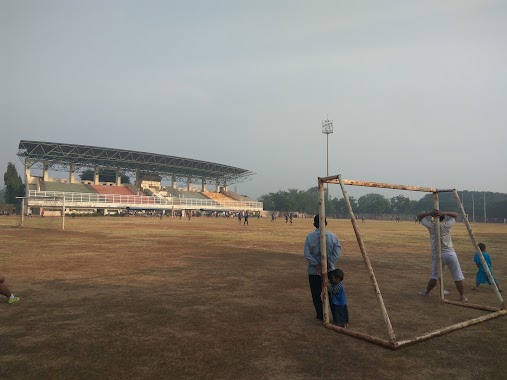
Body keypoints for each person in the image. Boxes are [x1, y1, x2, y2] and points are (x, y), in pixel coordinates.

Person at [418, 209, 468, 302]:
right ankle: (462, 296)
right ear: (443, 218)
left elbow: (419, 216)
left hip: (438, 255)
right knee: (457, 276)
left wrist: (430, 213)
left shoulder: (431, 226)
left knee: (434, 276)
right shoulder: (446, 225)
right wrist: (443, 213)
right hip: (450, 254)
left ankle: (427, 292)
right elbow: (455, 215)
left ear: (433, 218)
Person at [304, 214, 342, 320]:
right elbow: (337, 252)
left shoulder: (309, 237)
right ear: (326, 223)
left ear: (314, 224)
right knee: (332, 294)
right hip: (330, 271)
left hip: (314, 271)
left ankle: (321, 315)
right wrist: (328, 263)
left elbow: (307, 254)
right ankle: (335, 315)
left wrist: (317, 264)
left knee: (316, 295)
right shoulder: (333, 236)